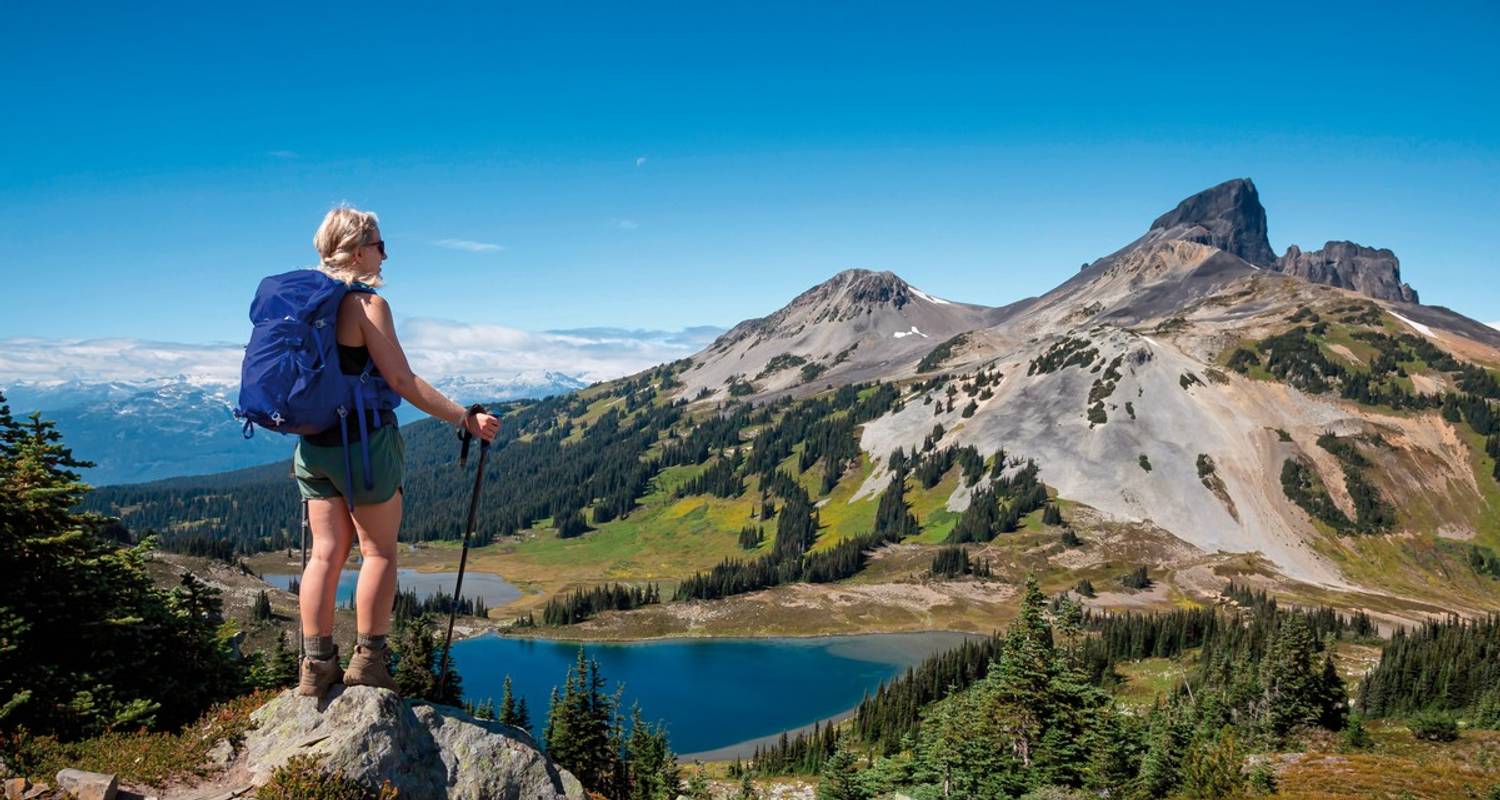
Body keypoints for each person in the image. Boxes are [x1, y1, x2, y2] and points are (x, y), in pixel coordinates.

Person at [294, 206, 500, 698]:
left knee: (324, 554)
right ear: (359, 249)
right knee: (379, 552)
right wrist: (463, 418)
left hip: (313, 447)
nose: (386, 254)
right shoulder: (366, 306)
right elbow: (402, 380)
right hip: (364, 445)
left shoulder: (304, 304)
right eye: (381, 244)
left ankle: (315, 665)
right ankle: (368, 662)